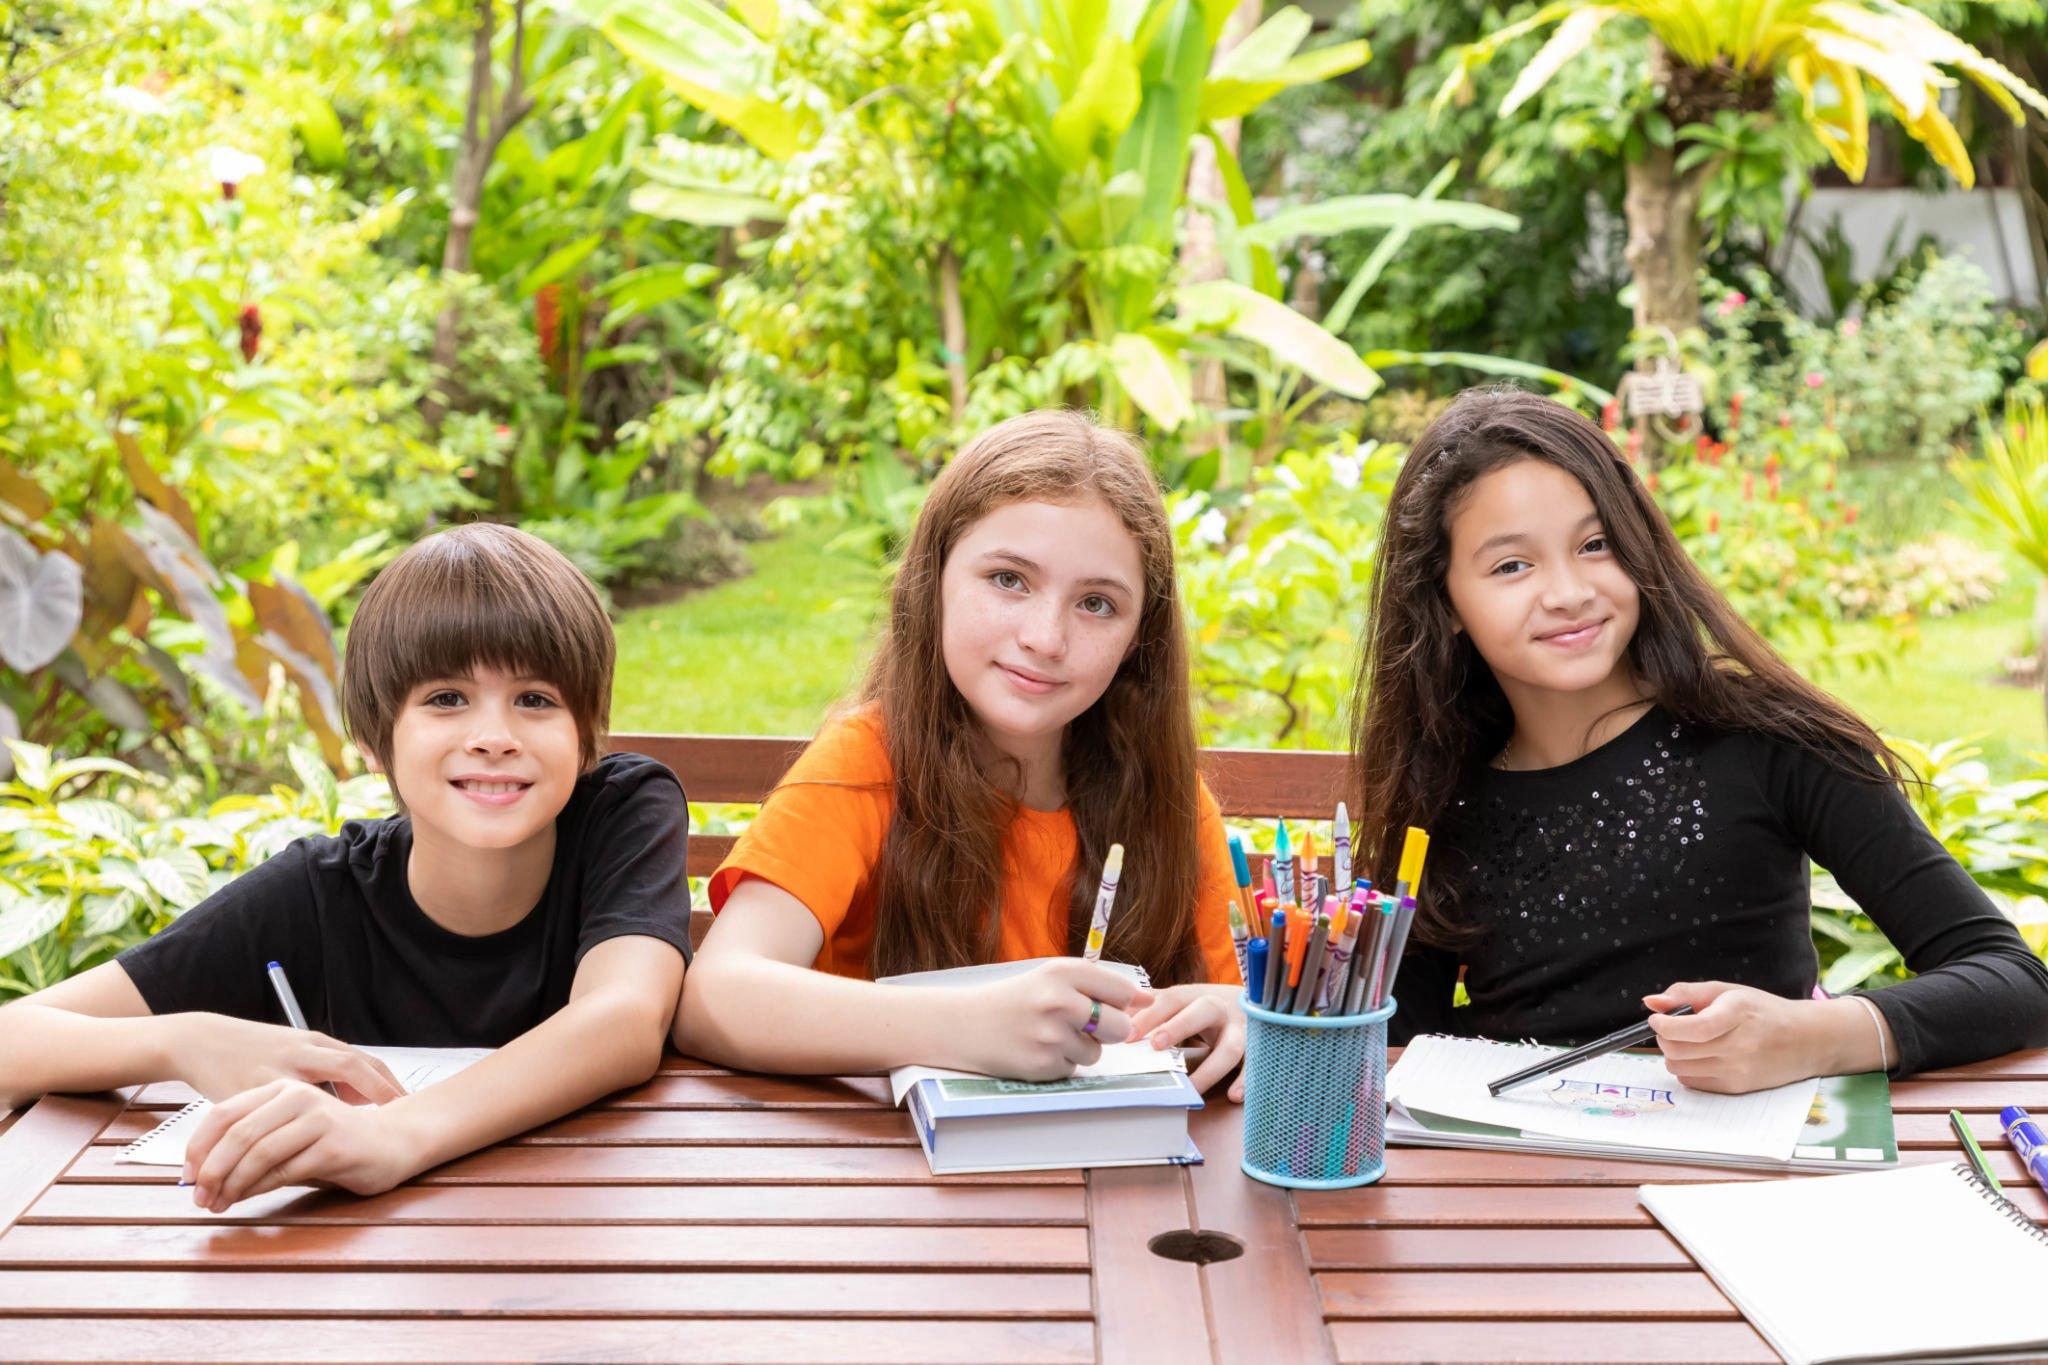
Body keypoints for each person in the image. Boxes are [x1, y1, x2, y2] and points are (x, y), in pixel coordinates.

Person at [1350, 387, 2048, 1090]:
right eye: (1512, 565)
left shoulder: (1767, 740)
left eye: (1596, 544)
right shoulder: (1441, 795)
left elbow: (2014, 980)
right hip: (1526, 1181)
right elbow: (1393, 1041)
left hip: (1747, 1180)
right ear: (1443, 606)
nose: (1567, 591)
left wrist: (1813, 1036)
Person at [0, 524, 693, 1208]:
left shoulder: (622, 810)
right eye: (446, 698)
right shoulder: (320, 891)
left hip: (589, 1217)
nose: (493, 738)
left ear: (587, 731)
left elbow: (623, 1017)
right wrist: (182, 1038)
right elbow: (13, 1037)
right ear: (371, 738)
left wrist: (392, 1136)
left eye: (535, 700)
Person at [677, 410, 1247, 1097]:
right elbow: (713, 996)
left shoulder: (1170, 801)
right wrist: (966, 1024)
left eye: (1096, 603)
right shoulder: (867, 763)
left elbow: (1221, 1005)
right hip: (892, 1188)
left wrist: (1238, 1016)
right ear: (933, 580)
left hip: (1121, 1186)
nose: (1045, 636)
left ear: (1139, 641)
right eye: (1009, 579)